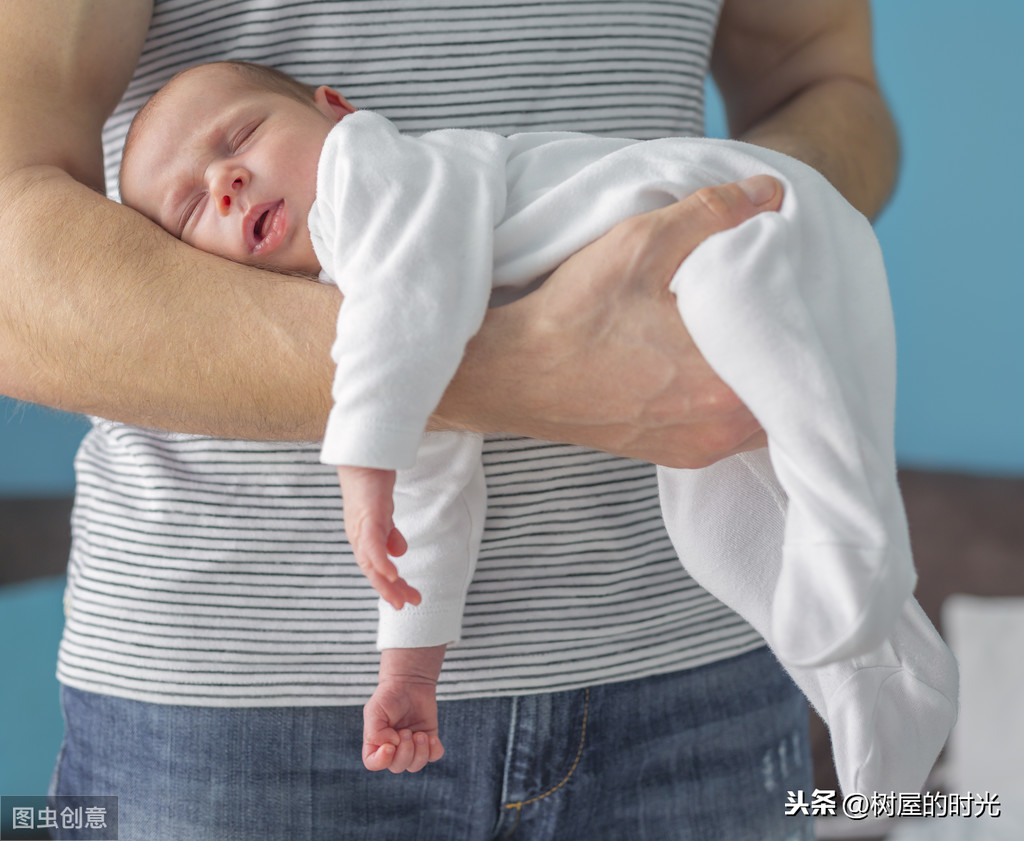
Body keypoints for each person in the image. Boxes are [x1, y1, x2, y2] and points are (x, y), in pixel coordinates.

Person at [0, 1, 907, 839]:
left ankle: (870, 621)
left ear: (337, 110)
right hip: (233, 715)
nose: (227, 182)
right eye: (192, 207)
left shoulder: (377, 169)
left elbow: (821, 79)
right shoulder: (371, 303)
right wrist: (411, 664)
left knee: (816, 492)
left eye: (242, 136)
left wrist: (753, 226)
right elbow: (428, 447)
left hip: (690, 661)